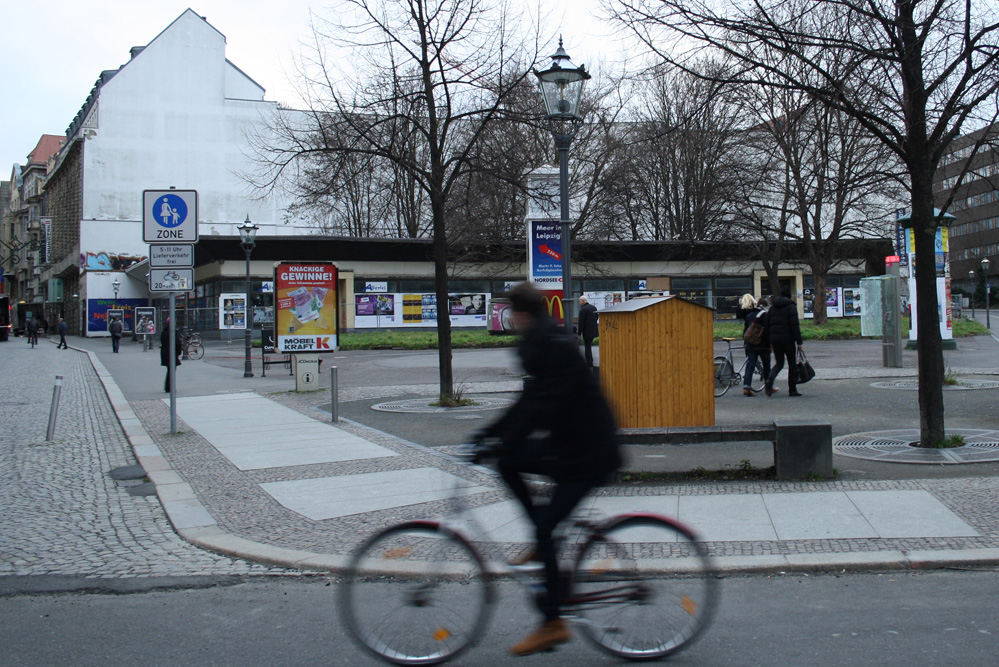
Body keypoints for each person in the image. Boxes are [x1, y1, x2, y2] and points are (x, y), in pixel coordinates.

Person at [478, 282, 620, 657]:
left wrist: (503, 438)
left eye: (512, 314)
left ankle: (552, 624)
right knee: (508, 462)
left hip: (588, 451)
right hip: (567, 443)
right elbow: (527, 401)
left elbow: (543, 405)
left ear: (520, 314)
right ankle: (542, 544)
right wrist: (487, 436)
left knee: (544, 526)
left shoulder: (549, 343)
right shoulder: (541, 338)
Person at [765, 286, 804, 397]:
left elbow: (767, 326)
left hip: (775, 340)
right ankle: (792, 389)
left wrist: (770, 342)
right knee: (792, 364)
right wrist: (799, 341)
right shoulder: (791, 307)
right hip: (788, 340)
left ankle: (769, 380)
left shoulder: (772, 308)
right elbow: (794, 325)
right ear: (789, 296)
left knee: (779, 363)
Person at [735, 294, 772, 396]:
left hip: (750, 344)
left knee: (750, 364)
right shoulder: (764, 315)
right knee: (766, 365)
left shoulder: (749, 316)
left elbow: (746, 330)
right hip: (762, 345)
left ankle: (747, 386)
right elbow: (767, 331)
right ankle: (769, 385)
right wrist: (770, 344)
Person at [160, 318, 183, 392]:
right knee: (172, 370)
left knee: (169, 370)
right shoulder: (174, 332)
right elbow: (178, 343)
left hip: (165, 353)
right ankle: (170, 387)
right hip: (172, 353)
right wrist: (179, 352)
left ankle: (168, 386)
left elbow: (162, 341)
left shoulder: (164, 331)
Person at [577, 295, 599, 369]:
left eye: (580, 301)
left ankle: (589, 362)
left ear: (583, 301)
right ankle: (589, 361)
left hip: (587, 331)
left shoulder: (583, 310)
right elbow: (596, 317)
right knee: (588, 345)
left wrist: (579, 333)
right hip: (594, 330)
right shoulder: (593, 307)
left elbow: (581, 322)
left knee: (587, 347)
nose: (579, 303)